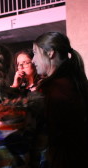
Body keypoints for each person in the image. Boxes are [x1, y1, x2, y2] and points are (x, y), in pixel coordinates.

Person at [32, 32, 88, 168]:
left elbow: (43, 134)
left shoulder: (50, 89)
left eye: (35, 53)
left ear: (50, 52)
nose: (33, 60)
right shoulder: (78, 82)